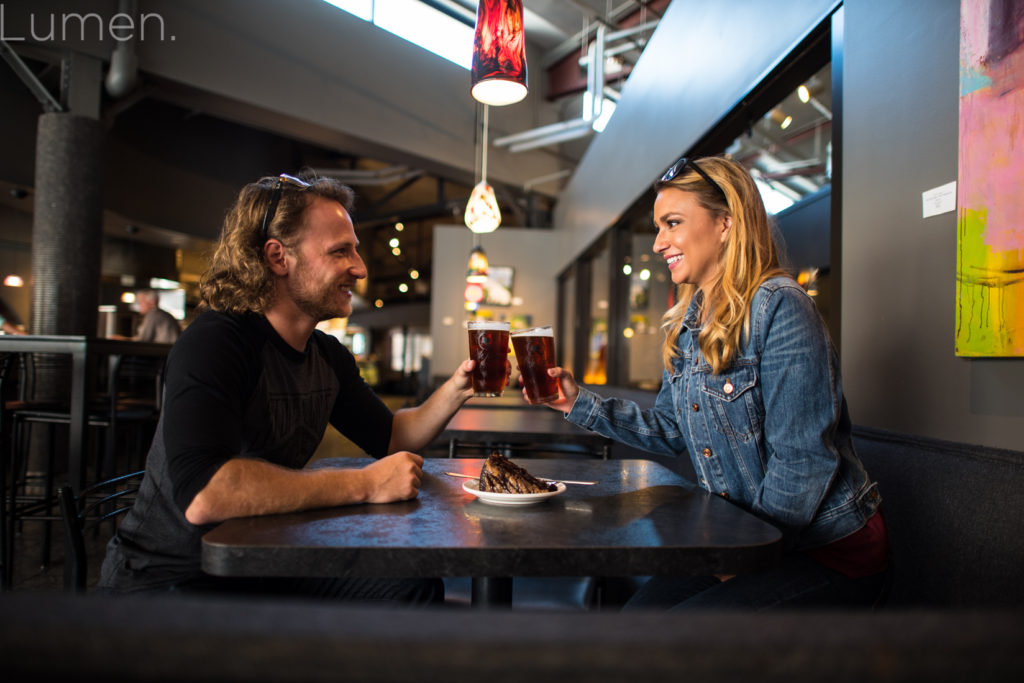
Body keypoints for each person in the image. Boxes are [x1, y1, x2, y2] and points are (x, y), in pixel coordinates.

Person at [98, 172, 477, 604]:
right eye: (340, 252)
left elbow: (392, 437)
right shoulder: (217, 341)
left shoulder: (326, 356)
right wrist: (365, 484)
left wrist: (458, 387)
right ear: (278, 258)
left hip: (261, 560)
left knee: (412, 585)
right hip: (171, 577)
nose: (360, 268)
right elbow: (205, 494)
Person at [538, 156, 890, 610]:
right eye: (659, 227)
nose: (659, 242)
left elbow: (803, 461)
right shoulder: (688, 326)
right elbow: (667, 430)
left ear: (726, 223)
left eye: (672, 223)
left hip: (828, 554)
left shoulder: (780, 306)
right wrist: (574, 403)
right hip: (741, 542)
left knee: (673, 643)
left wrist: (741, 553)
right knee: (630, 627)